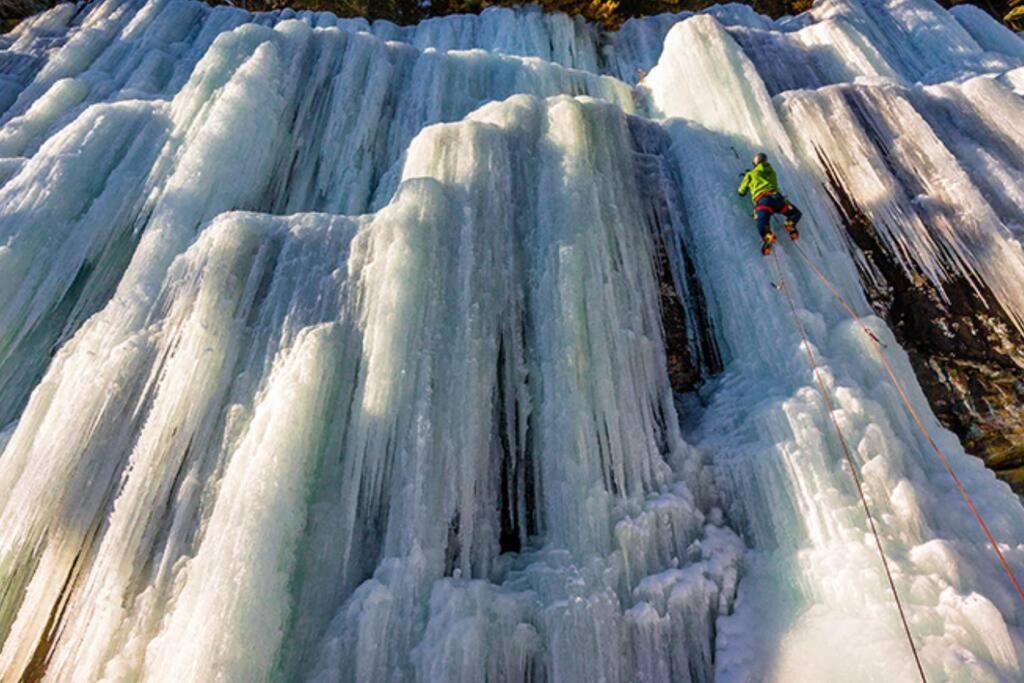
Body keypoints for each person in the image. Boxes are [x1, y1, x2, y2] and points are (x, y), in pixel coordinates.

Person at [738, 152, 801, 255]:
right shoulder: (772, 172)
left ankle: (768, 236)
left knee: (762, 223)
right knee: (795, 213)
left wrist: (747, 177)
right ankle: (790, 224)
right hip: (778, 200)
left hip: (764, 202)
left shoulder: (750, 174)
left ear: (755, 163)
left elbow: (741, 192)